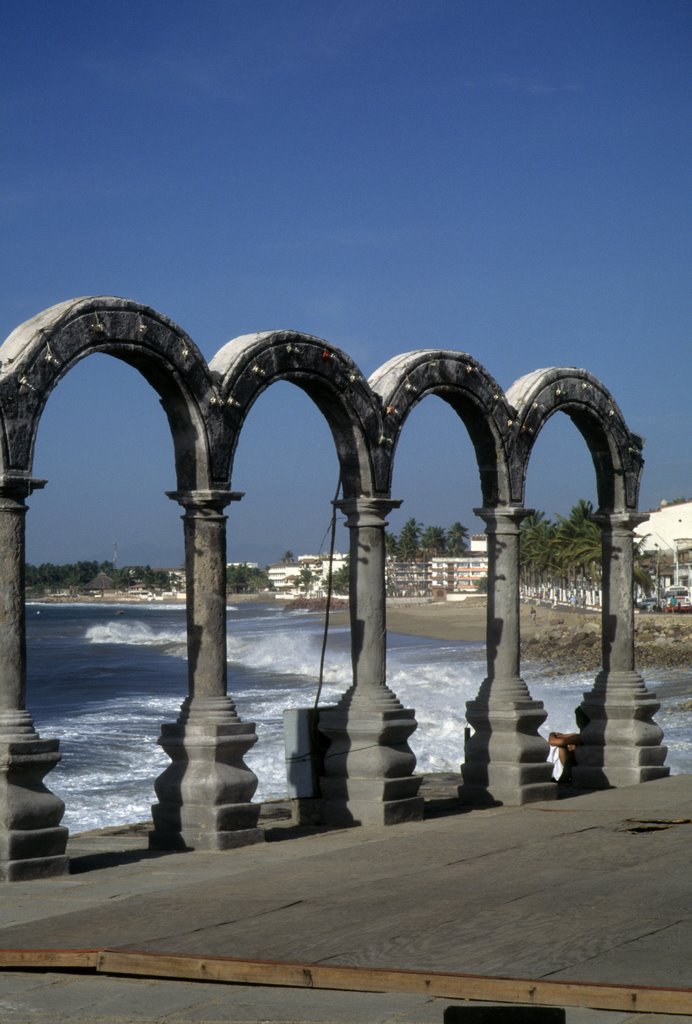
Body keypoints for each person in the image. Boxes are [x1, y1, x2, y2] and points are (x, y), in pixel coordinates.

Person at [548, 707, 589, 784]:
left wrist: (552, 734)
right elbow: (558, 739)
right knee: (564, 744)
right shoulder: (580, 735)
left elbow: (552, 741)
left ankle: (562, 780)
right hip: (572, 763)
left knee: (562, 745)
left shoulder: (582, 736)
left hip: (571, 764)